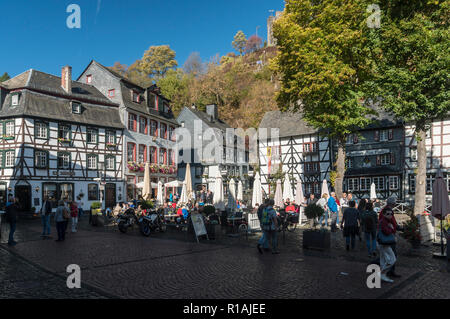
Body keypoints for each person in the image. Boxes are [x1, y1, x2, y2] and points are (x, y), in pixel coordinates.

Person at [378, 207, 397, 283]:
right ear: (383, 214)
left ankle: (383, 275)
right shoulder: (384, 222)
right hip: (384, 243)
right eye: (388, 214)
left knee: (383, 260)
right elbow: (387, 232)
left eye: (391, 214)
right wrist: (391, 228)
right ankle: (382, 273)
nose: (390, 215)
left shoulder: (385, 221)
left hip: (382, 243)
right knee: (392, 260)